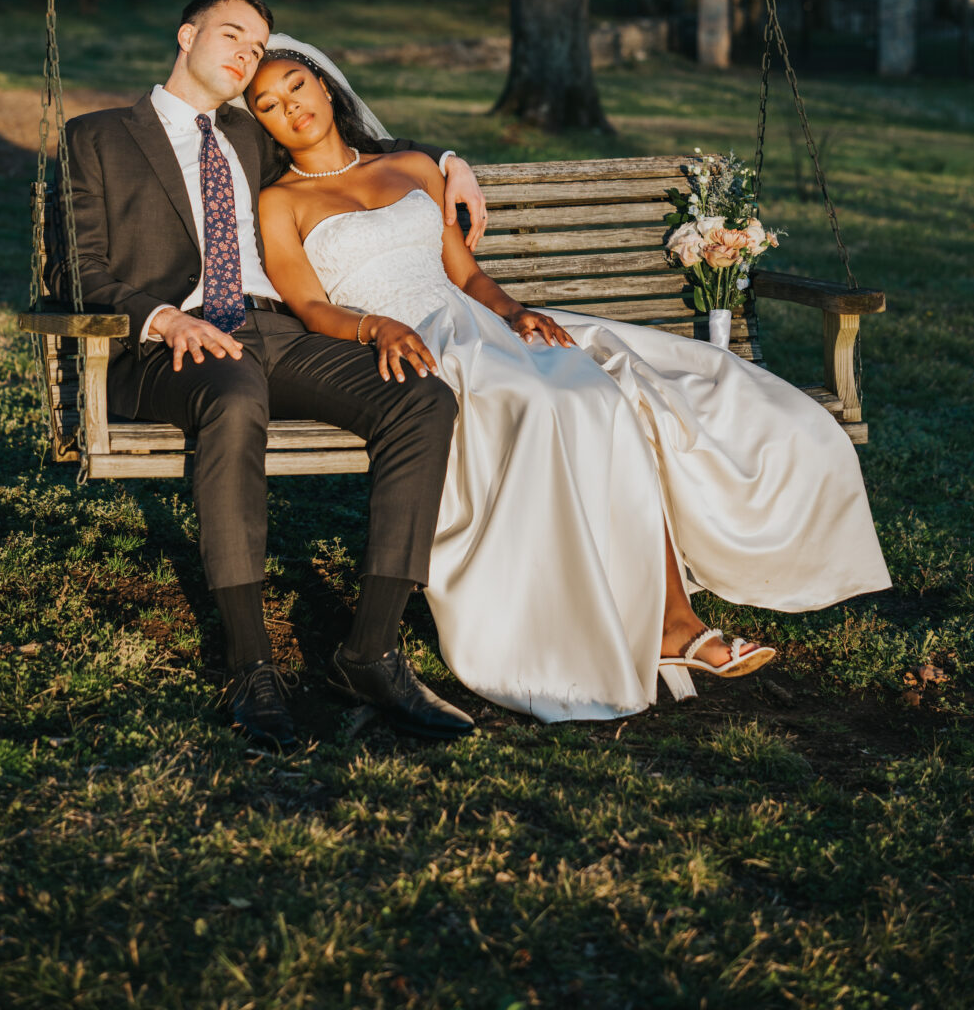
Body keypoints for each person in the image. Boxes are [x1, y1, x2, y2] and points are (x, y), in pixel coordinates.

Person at [248, 47, 892, 723]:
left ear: (323, 86)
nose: (291, 107)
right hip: (410, 344)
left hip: (475, 322)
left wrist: (515, 311)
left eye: (297, 87)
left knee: (611, 398)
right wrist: (375, 328)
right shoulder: (281, 203)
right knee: (553, 406)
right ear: (263, 124)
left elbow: (463, 274)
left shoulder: (409, 167)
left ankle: (675, 619)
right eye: (269, 105)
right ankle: (648, 624)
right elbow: (311, 306)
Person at [51, 0, 492, 747]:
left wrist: (450, 161)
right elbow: (76, 270)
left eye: (257, 48)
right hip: (172, 344)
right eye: (231, 36)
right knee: (232, 397)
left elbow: (345, 146)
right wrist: (163, 316)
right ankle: (251, 663)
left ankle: (371, 650)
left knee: (420, 398)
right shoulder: (97, 137)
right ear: (187, 35)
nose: (244, 56)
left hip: (275, 331)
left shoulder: (249, 133)